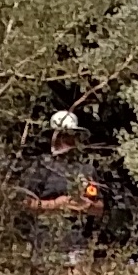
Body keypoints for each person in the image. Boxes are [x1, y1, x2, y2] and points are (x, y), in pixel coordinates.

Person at [19, 108, 108, 263]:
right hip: (45, 245)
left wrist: (85, 206)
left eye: (71, 135)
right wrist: (57, 204)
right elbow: (24, 203)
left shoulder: (86, 169)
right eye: (63, 135)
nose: (67, 140)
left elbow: (99, 207)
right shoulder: (40, 166)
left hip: (78, 245)